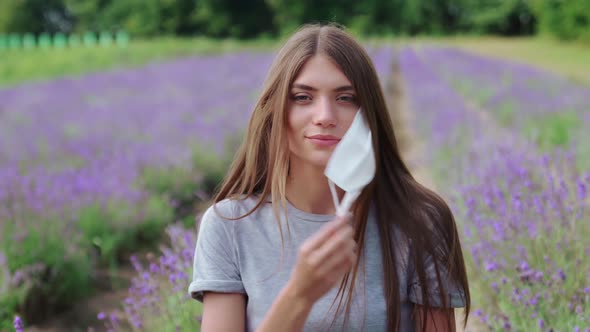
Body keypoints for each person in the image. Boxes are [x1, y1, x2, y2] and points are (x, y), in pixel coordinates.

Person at [188, 23, 470, 332]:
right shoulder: (229, 226)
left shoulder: (420, 221)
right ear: (275, 110)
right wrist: (300, 295)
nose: (325, 116)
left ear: (369, 112)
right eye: (303, 97)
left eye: (345, 98)